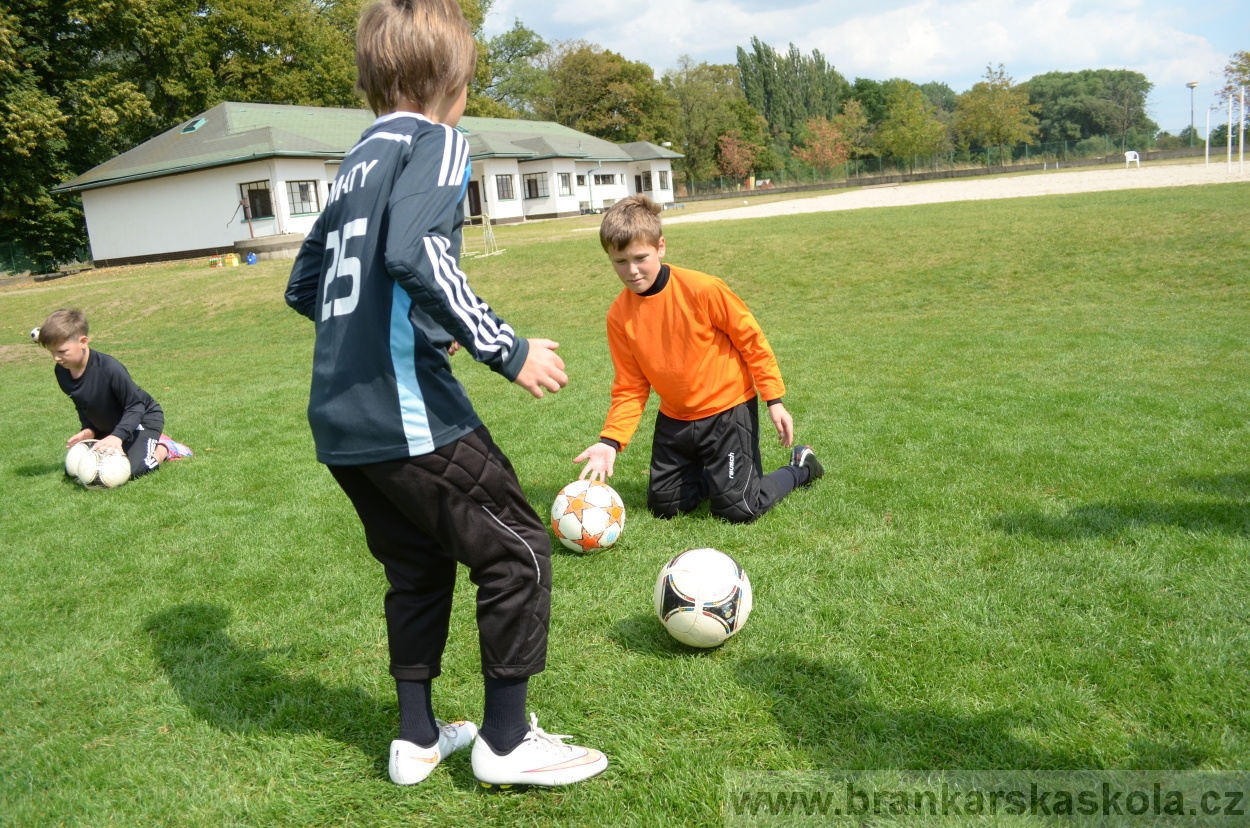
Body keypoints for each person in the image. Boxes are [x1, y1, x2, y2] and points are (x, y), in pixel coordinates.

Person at [284, 0, 606, 789]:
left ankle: (416, 737)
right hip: (404, 411)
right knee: (520, 550)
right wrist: (507, 346)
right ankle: (504, 741)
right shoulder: (437, 139)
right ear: (452, 83)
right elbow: (416, 249)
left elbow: (304, 287)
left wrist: (427, 326)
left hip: (339, 421)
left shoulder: (356, 159)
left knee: (419, 568)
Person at [574, 195, 824, 523]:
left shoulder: (703, 289)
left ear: (660, 246)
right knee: (665, 507)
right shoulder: (619, 316)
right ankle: (725, 476)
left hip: (727, 411)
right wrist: (610, 441)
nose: (632, 271)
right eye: (620, 261)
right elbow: (630, 386)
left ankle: (801, 467)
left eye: (640, 258)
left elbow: (753, 342)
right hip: (675, 420)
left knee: (739, 510)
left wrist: (773, 399)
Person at [40, 309, 189, 478]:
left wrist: (117, 437)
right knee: (73, 471)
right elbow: (83, 406)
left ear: (83, 341)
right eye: (51, 352)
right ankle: (128, 440)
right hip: (111, 426)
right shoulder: (62, 372)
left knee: (134, 470)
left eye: (62, 351)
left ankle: (166, 447)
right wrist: (89, 430)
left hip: (143, 419)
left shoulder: (109, 368)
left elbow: (136, 406)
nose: (56, 358)